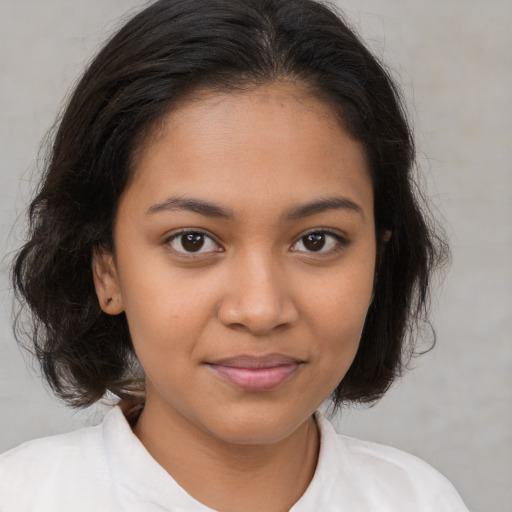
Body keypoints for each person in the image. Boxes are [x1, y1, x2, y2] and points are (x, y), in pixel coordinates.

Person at [0, 0, 469, 510]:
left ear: (377, 264)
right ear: (106, 268)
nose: (261, 310)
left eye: (317, 240)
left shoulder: (421, 500)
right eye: (193, 240)